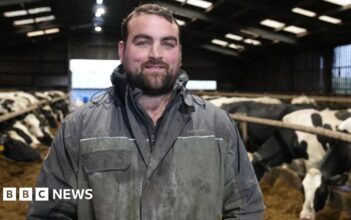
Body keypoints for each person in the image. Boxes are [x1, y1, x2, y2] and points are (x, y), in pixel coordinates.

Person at [28, 3, 265, 219]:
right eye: (142, 42)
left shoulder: (217, 126)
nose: (156, 54)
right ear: (122, 51)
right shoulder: (78, 127)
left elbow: (245, 208)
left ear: (179, 52)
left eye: (168, 43)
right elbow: (50, 211)